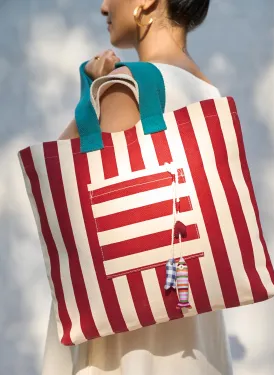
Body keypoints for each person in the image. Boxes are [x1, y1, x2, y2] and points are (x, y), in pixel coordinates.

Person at [43, 0, 233, 374]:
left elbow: (62, 187)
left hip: (131, 353)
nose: (103, 7)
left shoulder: (127, 87)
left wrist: (93, 94)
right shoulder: (210, 95)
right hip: (194, 347)